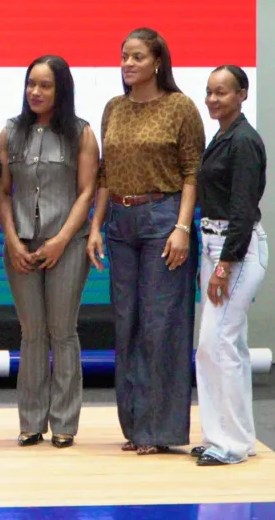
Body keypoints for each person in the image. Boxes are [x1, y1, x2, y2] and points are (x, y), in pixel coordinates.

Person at [86, 27, 205, 455]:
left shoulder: (180, 107)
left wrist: (182, 227)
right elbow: (104, 174)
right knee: (127, 324)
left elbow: (193, 171)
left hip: (163, 218)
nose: (128, 64)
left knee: (162, 326)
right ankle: (136, 427)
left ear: (157, 61)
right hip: (119, 221)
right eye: (124, 57)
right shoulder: (113, 108)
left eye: (137, 57)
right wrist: (96, 225)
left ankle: (162, 431)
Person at [0, 55, 98, 449]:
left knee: (63, 331)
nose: (35, 92)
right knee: (32, 332)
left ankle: (65, 423)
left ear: (62, 90)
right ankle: (31, 421)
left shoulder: (81, 133)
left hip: (66, 245)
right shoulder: (10, 133)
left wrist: (60, 240)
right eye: (30, 84)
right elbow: (3, 192)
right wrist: (12, 240)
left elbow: (87, 191)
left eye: (45, 85)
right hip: (21, 243)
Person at [193, 65, 267, 466]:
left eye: (222, 92)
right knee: (226, 345)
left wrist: (224, 265)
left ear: (242, 94)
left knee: (216, 345)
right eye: (209, 91)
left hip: (235, 249)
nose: (212, 99)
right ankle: (230, 437)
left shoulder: (243, 142)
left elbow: (242, 210)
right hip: (214, 245)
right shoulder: (222, 136)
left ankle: (231, 445)